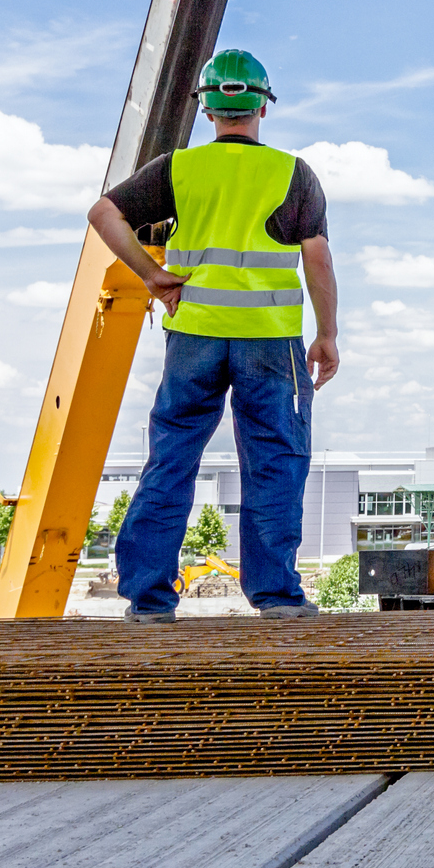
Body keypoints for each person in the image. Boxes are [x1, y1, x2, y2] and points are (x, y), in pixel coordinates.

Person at [87, 49, 340, 622]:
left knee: (172, 458)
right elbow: (318, 261)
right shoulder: (292, 173)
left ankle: (150, 599)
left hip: (194, 336)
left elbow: (103, 214)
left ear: (205, 109)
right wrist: (326, 334)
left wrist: (152, 276)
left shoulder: (178, 168)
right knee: (275, 460)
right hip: (270, 341)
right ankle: (275, 596)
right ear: (262, 109)